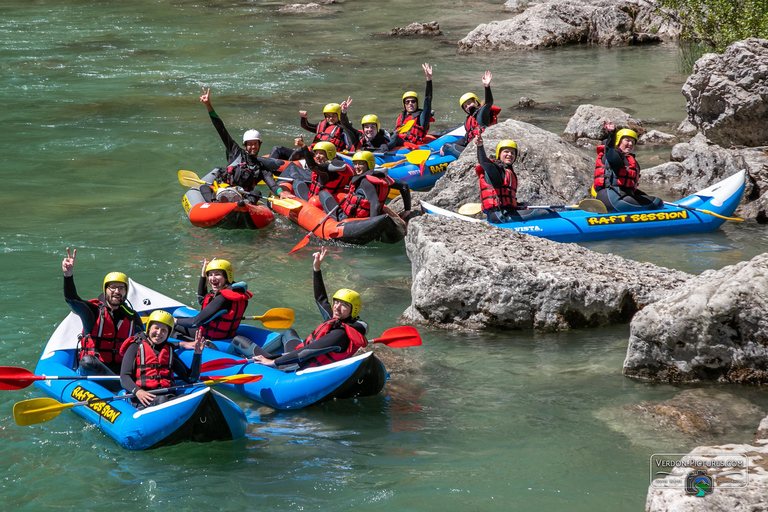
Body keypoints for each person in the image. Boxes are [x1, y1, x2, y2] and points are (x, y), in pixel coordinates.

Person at [244, 247, 368, 369]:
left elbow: (305, 352)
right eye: (336, 302)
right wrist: (316, 268)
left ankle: (254, 359)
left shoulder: (339, 334)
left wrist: (272, 362)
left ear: (353, 310)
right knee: (288, 332)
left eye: (344, 305)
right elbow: (321, 299)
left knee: (239, 341)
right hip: (297, 356)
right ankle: (265, 355)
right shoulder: (338, 321)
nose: (336, 307)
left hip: (295, 365)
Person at [62, 247, 143, 390]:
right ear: (105, 290)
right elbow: (73, 300)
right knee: (87, 361)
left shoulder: (132, 316)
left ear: (126, 292)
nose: (117, 292)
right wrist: (68, 276)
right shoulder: (93, 311)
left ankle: (126, 387)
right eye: (112, 287)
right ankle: (120, 388)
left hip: (121, 372)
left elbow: (144, 342)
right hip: (95, 370)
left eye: (121, 288)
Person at [199, 87, 292, 201]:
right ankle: (214, 203)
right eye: (250, 144)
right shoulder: (235, 152)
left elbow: (272, 183)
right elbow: (221, 128)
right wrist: (209, 106)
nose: (253, 147)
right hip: (226, 190)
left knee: (256, 193)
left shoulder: (261, 168)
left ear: (259, 145)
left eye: (255, 144)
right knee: (204, 187)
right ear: (245, 145)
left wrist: (280, 192)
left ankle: (242, 204)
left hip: (242, 197)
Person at [119, 310, 203, 409]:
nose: (159, 333)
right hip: (142, 400)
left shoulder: (169, 351)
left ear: (168, 333)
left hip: (166, 398)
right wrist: (138, 391)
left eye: (164, 330)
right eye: (156, 328)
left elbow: (190, 378)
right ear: (149, 328)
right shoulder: (135, 346)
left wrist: (197, 354)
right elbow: (124, 377)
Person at [173, 259, 252, 348]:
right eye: (210, 275)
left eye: (217, 274)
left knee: (169, 326)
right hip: (227, 335)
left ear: (226, 276)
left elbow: (195, 322)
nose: (212, 278)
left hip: (211, 337)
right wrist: (203, 275)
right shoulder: (236, 292)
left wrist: (174, 321)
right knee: (179, 321)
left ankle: (198, 345)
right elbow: (202, 300)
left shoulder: (222, 299)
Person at [592, 121, 663, 213]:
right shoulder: (614, 156)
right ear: (618, 141)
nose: (630, 144)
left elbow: (624, 187)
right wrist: (612, 133)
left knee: (649, 199)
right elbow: (609, 149)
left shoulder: (624, 158)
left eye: (633, 142)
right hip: (614, 200)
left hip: (609, 197)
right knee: (657, 203)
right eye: (627, 140)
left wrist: (643, 196)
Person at [474, 134, 545, 224]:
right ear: (499, 154)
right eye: (506, 152)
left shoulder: (507, 171)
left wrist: (518, 205)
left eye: (512, 153)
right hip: (500, 216)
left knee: (530, 206)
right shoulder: (496, 171)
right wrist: (480, 146)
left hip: (506, 213)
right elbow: (484, 162)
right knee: (543, 212)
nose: (510, 155)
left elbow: (505, 200)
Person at [324, 150, 412, 221]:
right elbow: (404, 185)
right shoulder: (381, 177)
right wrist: (407, 210)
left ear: (369, 164)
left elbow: (375, 204)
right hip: (366, 214)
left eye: (361, 163)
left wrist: (373, 224)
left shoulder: (365, 182)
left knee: (323, 194)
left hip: (353, 219)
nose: (357, 167)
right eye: (355, 163)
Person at [441, 71, 501, 158]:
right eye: (465, 106)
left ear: (476, 102)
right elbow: (465, 140)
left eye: (470, 103)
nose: (468, 107)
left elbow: (488, 103)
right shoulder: (470, 119)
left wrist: (487, 86)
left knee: (447, 147)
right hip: (473, 149)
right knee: (446, 145)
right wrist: (446, 145)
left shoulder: (482, 114)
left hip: (482, 151)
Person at [290, 139, 353, 207]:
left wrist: (303, 147)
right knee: (297, 181)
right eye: (316, 153)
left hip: (321, 203)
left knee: (297, 182)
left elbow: (313, 166)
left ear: (329, 154)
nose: (317, 156)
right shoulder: (336, 164)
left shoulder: (328, 169)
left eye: (321, 153)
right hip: (324, 199)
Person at [393, 63, 434, 147]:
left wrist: (428, 79)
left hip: (410, 145)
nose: (410, 104)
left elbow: (428, 99)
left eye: (413, 101)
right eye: (407, 102)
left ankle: (380, 151)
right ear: (404, 104)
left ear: (417, 103)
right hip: (399, 142)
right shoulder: (402, 116)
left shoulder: (422, 117)